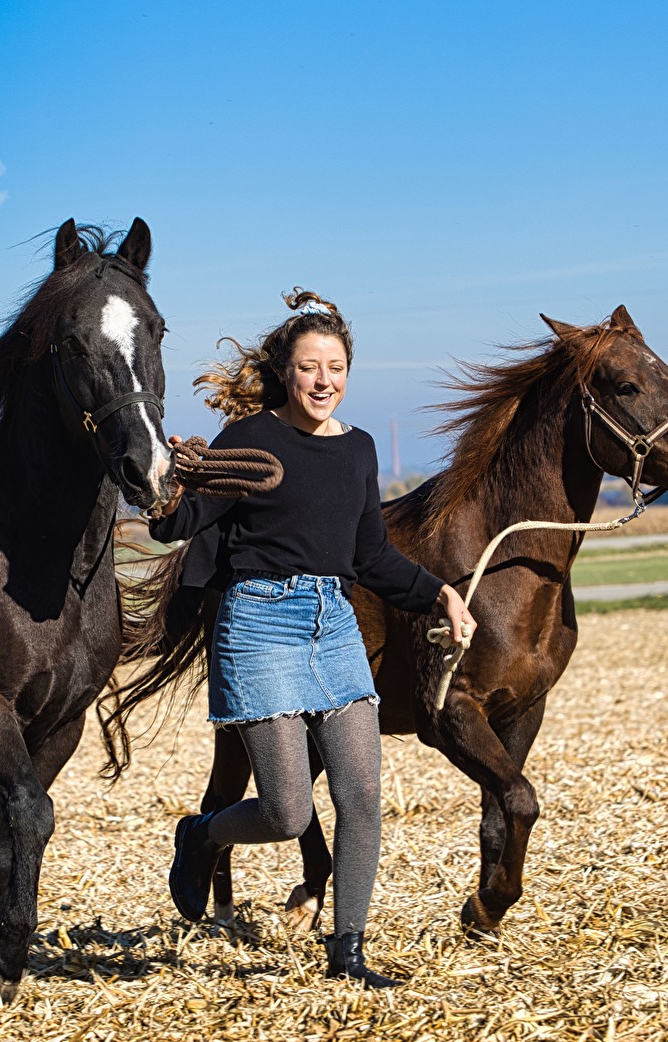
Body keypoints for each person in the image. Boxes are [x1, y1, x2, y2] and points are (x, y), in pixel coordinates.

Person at [148, 289, 476, 988]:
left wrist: (441, 593)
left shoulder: (357, 449)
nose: (323, 380)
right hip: (259, 624)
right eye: (308, 367)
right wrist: (176, 483)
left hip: (335, 626)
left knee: (361, 794)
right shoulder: (249, 440)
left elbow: (370, 558)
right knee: (287, 811)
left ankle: (347, 953)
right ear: (285, 372)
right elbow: (177, 527)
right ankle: (200, 835)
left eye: (335, 367)